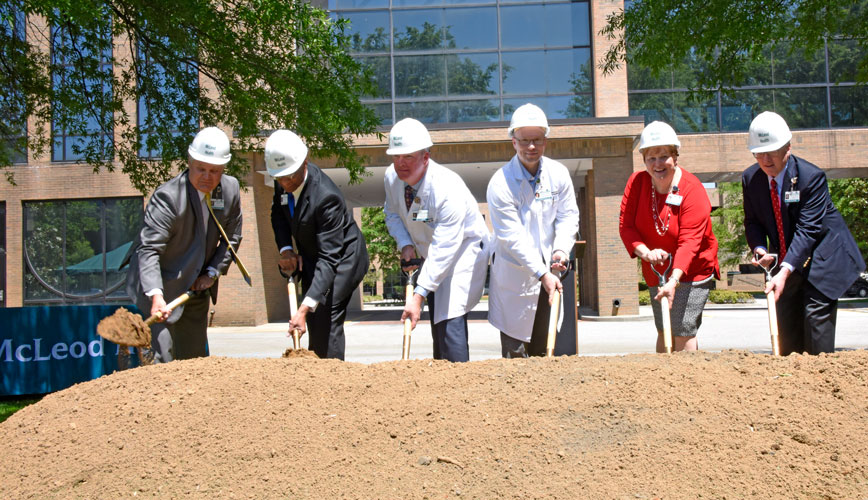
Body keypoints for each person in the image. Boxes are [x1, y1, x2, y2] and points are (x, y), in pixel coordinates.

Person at [742, 111, 865, 355]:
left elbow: (807, 231)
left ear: (787, 147)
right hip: (790, 261)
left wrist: (784, 270)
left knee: (814, 323)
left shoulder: (811, 178)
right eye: (759, 153)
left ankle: (821, 381)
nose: (766, 159)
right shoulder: (751, 179)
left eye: (772, 151)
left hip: (824, 259)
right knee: (787, 334)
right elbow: (753, 221)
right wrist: (760, 249)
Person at [125, 126, 242, 363]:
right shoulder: (168, 198)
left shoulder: (230, 190)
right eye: (201, 169)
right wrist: (156, 295)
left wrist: (212, 272)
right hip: (161, 286)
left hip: (197, 286)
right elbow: (148, 250)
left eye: (215, 170)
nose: (207, 177)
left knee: (194, 361)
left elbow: (232, 237)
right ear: (189, 161)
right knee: (163, 357)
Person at [383, 118, 489, 362]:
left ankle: (459, 378)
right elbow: (392, 213)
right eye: (396, 156)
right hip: (432, 251)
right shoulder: (392, 177)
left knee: (449, 317)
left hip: (464, 249)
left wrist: (417, 296)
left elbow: (446, 246)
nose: (401, 163)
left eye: (408, 156)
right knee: (437, 318)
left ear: (425, 157)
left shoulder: (446, 187)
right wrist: (405, 244)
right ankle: (442, 375)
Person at [486, 103, 580, 358]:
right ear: (513, 142)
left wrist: (560, 250)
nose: (531, 147)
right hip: (515, 278)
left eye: (537, 140)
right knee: (515, 355)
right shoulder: (500, 183)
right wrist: (542, 273)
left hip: (550, 273)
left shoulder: (558, 174)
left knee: (544, 349)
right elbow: (511, 237)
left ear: (545, 141)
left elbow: (568, 216)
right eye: (525, 140)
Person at [619, 121, 720, 352]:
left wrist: (674, 280)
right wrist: (646, 253)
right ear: (644, 160)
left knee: (682, 329)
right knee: (664, 328)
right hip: (657, 268)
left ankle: (687, 382)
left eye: (664, 156)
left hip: (693, 268)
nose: (657, 164)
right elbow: (626, 227)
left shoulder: (692, 189)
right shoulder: (637, 183)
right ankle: (664, 382)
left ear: (675, 156)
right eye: (651, 158)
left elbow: (690, 241)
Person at [267, 129, 369, 360]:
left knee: (327, 311)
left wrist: (302, 308)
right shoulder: (282, 179)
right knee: (313, 314)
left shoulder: (326, 197)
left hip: (343, 257)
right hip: (315, 255)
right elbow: (278, 214)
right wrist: (286, 250)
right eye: (279, 178)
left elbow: (329, 258)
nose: (285, 182)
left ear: (305, 161)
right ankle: (315, 367)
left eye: (290, 176)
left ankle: (331, 376)